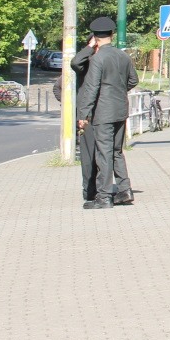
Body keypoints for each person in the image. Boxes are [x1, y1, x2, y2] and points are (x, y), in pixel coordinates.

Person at [76, 17, 139, 209]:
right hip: (121, 109)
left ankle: (103, 197)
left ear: (95, 37)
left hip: (103, 112)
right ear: (112, 35)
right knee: (117, 152)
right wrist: (117, 92)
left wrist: (83, 115)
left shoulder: (97, 59)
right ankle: (124, 191)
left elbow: (92, 88)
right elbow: (133, 81)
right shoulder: (124, 56)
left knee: (103, 153)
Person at [69, 27, 101, 203]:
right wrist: (90, 48)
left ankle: (102, 189)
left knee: (104, 153)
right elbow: (75, 62)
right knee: (88, 154)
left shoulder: (106, 60)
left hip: (104, 112)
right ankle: (89, 189)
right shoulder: (86, 63)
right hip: (87, 115)